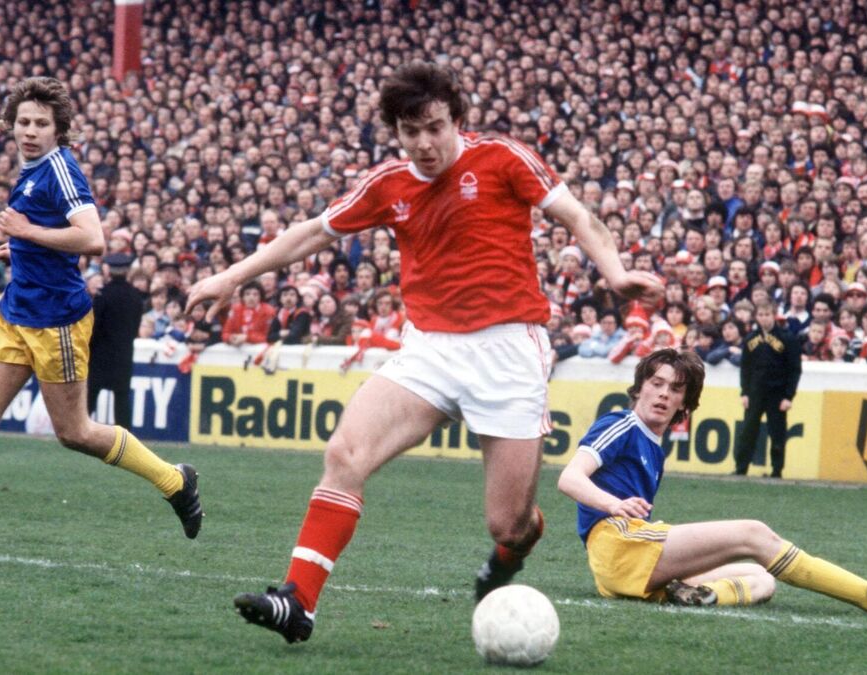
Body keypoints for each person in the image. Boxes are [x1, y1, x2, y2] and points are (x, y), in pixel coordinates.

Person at [185, 61, 662, 643]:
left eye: (435, 127)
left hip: (509, 351)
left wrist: (615, 272)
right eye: (411, 132)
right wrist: (231, 277)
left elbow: (576, 216)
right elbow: (311, 232)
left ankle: (512, 551)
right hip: (430, 349)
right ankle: (297, 602)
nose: (425, 144)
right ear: (396, 132)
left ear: (457, 120)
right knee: (345, 454)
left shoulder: (504, 158)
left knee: (508, 524)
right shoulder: (387, 183)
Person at [0, 77, 202, 563]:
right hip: (17, 309)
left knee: (75, 432)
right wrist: (20, 246)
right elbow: (47, 233)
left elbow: (93, 239)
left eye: (41, 123)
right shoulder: (33, 167)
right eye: (24, 122)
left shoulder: (60, 169)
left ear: (59, 130)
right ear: (11, 125)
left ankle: (175, 480)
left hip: (56, 320)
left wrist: (26, 231)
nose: (30, 131)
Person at [558, 348, 867, 614]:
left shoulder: (654, 447)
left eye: (676, 389)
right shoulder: (622, 424)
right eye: (656, 383)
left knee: (761, 578)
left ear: (685, 404)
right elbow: (570, 477)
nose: (664, 393)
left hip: (630, 560)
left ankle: (698, 597)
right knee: (754, 533)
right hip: (618, 546)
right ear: (639, 388)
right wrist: (613, 504)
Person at [735, 302, 801, 478]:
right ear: (756, 317)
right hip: (755, 393)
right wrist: (744, 392)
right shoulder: (750, 339)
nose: (764, 318)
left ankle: (777, 470)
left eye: (767, 314)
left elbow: (794, 369)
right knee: (748, 430)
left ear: (774, 315)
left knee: (777, 432)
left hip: (777, 394)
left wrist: (788, 396)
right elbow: (745, 368)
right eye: (760, 315)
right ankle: (741, 468)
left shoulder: (787, 338)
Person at [87, 252, 146, 429]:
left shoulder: (103, 295)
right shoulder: (135, 296)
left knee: (91, 394)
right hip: (123, 353)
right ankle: (125, 436)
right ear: (127, 271)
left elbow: (94, 327)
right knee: (121, 397)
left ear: (109, 271)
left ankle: (80, 431)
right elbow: (135, 326)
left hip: (100, 354)